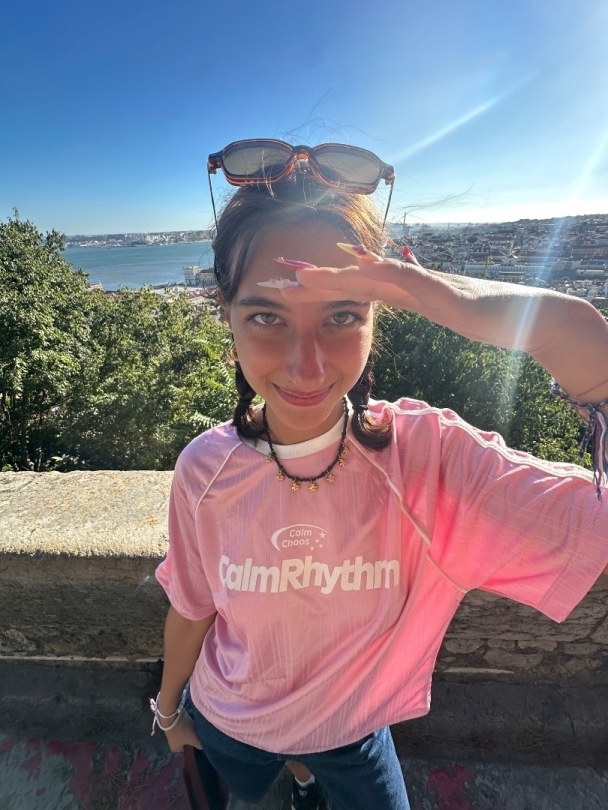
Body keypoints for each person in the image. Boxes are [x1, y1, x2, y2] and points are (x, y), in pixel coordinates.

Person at [152, 140, 608, 810]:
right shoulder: (203, 469)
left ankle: (308, 776)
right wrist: (168, 712)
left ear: (376, 313)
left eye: (342, 315)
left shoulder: (429, 462)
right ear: (227, 314)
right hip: (233, 723)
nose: (306, 366)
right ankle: (300, 778)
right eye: (266, 316)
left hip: (353, 732)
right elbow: (193, 608)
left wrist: (549, 324)